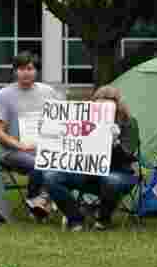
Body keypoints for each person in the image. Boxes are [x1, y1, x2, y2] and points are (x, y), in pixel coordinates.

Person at [42, 84, 142, 231]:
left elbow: (127, 156)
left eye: (108, 109)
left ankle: (103, 219)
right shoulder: (82, 120)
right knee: (51, 176)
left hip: (118, 172)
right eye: (99, 108)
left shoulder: (129, 123)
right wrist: (50, 133)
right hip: (87, 173)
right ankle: (75, 218)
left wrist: (115, 143)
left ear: (117, 107)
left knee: (111, 180)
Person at [0, 52, 61, 219]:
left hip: (43, 148)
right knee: (41, 164)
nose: (25, 72)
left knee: (61, 162)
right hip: (12, 152)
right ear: (15, 71)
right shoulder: (4, 95)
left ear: (36, 71)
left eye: (29, 68)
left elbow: (59, 121)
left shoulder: (48, 92)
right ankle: (35, 200)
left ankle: (41, 201)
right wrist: (19, 145)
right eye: (21, 68)